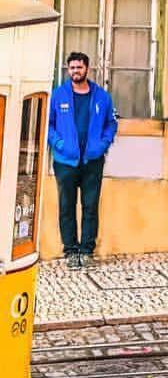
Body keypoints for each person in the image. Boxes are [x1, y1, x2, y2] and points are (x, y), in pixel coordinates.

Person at [48, 51, 118, 269]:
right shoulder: (58, 95)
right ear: (68, 70)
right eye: (72, 68)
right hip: (65, 161)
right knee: (66, 206)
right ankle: (70, 250)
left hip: (92, 162)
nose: (75, 71)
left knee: (90, 207)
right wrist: (59, 144)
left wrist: (103, 144)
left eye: (79, 67)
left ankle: (87, 250)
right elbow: (48, 125)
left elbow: (111, 124)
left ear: (87, 69)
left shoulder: (102, 97)